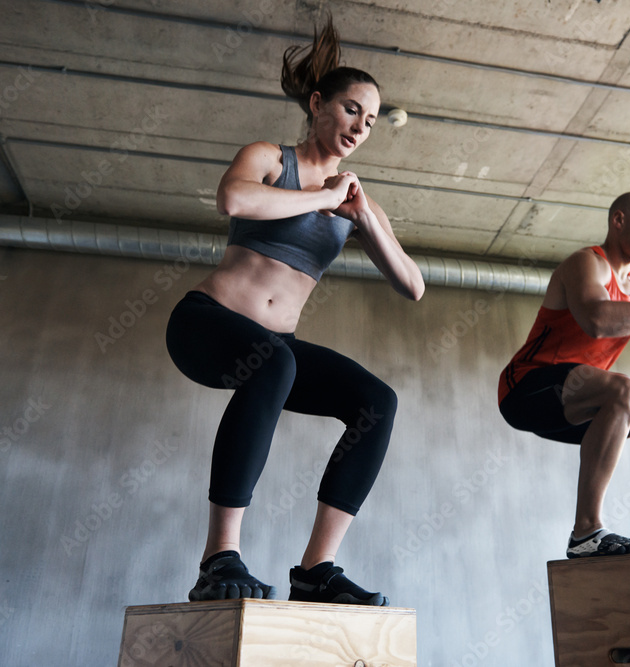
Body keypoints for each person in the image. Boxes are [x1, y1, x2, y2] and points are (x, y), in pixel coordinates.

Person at [165, 18, 424, 606]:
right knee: (272, 364)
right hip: (205, 323)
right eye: (352, 109)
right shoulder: (269, 157)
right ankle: (218, 557)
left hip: (272, 350)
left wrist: (363, 222)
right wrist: (325, 198)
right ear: (317, 104)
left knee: (376, 403)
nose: (361, 127)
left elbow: (412, 286)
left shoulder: (356, 200)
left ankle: (316, 569)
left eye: (371, 120)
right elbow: (233, 198)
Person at [497, 192, 630, 558]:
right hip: (526, 389)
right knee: (622, 389)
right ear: (619, 221)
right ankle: (586, 532)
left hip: (582, 403)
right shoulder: (586, 263)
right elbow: (597, 322)